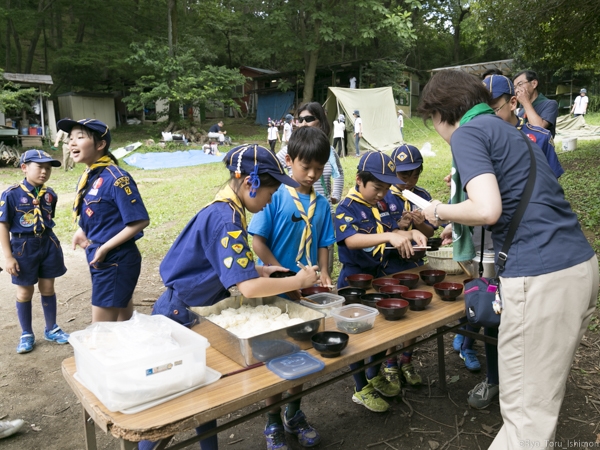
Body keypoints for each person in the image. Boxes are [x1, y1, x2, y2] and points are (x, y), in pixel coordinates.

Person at [418, 69, 598, 448]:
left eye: (431, 120)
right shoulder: (514, 133)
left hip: (540, 277)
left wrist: (439, 210)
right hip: (579, 267)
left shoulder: (468, 132)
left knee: (524, 417)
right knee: (541, 403)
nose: (435, 128)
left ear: (442, 112)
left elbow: (487, 209)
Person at [145, 144, 319, 450]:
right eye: (270, 192)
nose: (269, 201)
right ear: (250, 183)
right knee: (169, 409)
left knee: (206, 395)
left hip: (190, 311)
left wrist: (260, 269)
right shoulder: (228, 221)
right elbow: (248, 288)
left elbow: (223, 263)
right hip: (180, 318)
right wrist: (298, 279)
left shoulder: (225, 209)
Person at [250, 128, 334, 449]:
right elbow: (258, 242)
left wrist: (324, 272)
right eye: (305, 167)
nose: (312, 174)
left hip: (307, 294)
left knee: (301, 353)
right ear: (289, 161)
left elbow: (325, 243)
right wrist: (283, 275)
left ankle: (294, 413)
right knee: (274, 356)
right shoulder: (275, 197)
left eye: (319, 168)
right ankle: (272, 422)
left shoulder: (322, 204)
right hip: (275, 293)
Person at [335, 151, 427, 413]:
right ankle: (360, 387)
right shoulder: (347, 207)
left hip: (379, 278)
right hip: (354, 282)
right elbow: (351, 240)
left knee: (379, 333)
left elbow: (391, 229)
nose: (381, 194)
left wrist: (409, 231)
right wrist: (388, 237)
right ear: (359, 180)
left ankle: (374, 375)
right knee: (357, 336)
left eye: (386, 188)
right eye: (377, 188)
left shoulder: (380, 204)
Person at [58, 118, 150, 323]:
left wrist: (105, 248)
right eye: (70, 138)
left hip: (115, 259)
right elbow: (100, 211)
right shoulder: (90, 175)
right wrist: (83, 229)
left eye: (80, 137)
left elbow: (139, 221)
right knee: (123, 323)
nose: (72, 143)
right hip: (103, 258)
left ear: (101, 145)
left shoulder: (116, 178)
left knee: (101, 331)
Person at [0, 150, 69, 354]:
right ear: (24, 168)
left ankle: (51, 328)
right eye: (39, 167)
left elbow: (48, 217)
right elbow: (3, 225)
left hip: (48, 242)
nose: (44, 172)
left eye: (48, 168)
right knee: (25, 291)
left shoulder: (50, 194)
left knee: (48, 287)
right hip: (23, 246)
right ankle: (27, 333)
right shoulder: (11, 194)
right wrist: (8, 256)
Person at [381, 144, 436, 387]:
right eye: (404, 176)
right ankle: (390, 363)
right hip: (391, 267)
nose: (409, 181)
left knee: (415, 318)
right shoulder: (383, 196)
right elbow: (381, 234)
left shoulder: (421, 196)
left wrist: (421, 223)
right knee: (395, 318)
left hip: (415, 265)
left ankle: (407, 359)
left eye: (415, 174)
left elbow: (430, 231)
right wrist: (403, 227)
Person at [276, 102, 344, 275]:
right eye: (300, 119)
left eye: (309, 119)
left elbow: (339, 173)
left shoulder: (328, 151)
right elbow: (271, 167)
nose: (304, 123)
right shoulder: (290, 150)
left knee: (322, 256)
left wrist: (335, 195)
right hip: (294, 205)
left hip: (321, 210)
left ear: (320, 121)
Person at [513, 69, 559, 137]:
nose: (517, 90)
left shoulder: (550, 104)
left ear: (534, 84)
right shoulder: (521, 111)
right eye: (515, 87)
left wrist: (526, 102)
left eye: (520, 84)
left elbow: (539, 128)